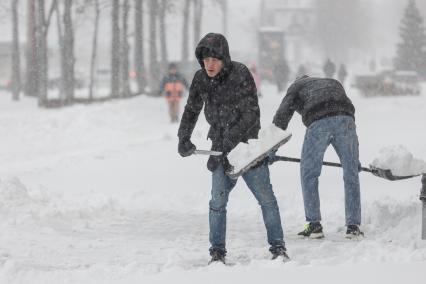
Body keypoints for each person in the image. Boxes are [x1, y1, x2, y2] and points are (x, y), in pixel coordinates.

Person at [177, 33, 289, 264]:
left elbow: (251, 113)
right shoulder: (200, 78)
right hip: (220, 144)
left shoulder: (240, 73)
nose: (210, 64)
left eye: (215, 59)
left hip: (247, 146)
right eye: (206, 59)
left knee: (266, 199)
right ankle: (217, 252)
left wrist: (230, 144)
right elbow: (191, 109)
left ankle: (278, 248)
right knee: (217, 202)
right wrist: (183, 137)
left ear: (224, 59)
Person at [272, 75, 363, 239]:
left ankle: (314, 224)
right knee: (351, 174)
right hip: (346, 119)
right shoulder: (333, 81)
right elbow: (345, 108)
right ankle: (353, 226)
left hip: (319, 121)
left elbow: (282, 116)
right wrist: (354, 160)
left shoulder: (296, 87)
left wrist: (271, 149)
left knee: (309, 174)